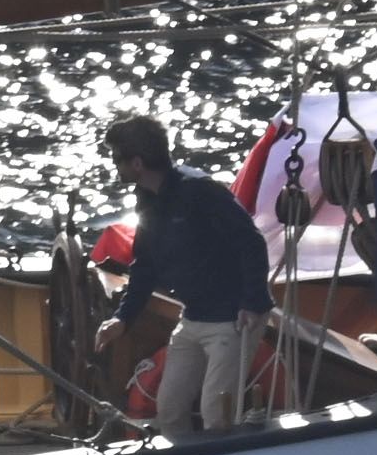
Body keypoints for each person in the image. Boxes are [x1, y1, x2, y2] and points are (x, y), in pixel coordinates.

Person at [104, 110, 277, 434]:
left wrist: (253, 302)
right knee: (169, 409)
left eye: (117, 159)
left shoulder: (199, 191)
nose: (115, 167)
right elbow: (145, 265)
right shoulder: (148, 199)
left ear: (137, 163)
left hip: (232, 320)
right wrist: (122, 318)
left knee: (217, 414)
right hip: (193, 317)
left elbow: (251, 242)